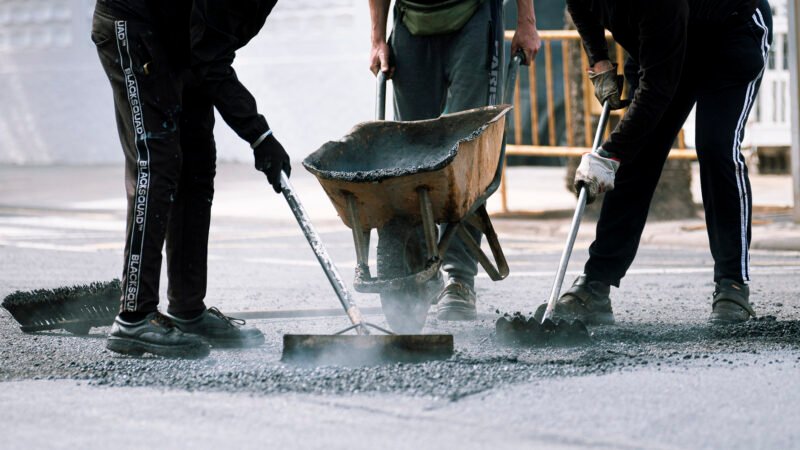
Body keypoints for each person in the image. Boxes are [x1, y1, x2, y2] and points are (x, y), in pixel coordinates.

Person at [553, 0, 772, 325]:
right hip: (661, 43)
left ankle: (733, 284)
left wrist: (608, 154)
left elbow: (657, 91)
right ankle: (596, 283)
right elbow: (581, 6)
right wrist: (599, 60)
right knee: (636, 157)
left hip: (730, 33)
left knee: (716, 147)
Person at [91, 0, 290, 358]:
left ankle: (186, 309)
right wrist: (259, 135)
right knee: (157, 161)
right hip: (134, 22)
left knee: (197, 161)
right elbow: (211, 58)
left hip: (183, 40)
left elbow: (209, 50)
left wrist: (259, 136)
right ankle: (134, 316)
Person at [368, 0, 541, 321]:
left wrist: (526, 22)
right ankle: (419, 270)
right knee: (409, 153)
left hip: (474, 18)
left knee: (464, 149)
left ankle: (460, 278)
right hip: (411, 21)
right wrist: (378, 38)